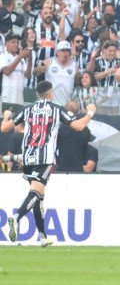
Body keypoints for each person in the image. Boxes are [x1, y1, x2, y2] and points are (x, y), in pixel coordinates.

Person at [2, 80, 97, 246]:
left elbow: (4, 128)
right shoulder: (56, 109)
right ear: (51, 94)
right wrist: (90, 112)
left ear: (37, 95)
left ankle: (43, 237)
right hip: (44, 158)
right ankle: (16, 218)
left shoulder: (28, 109)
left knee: (39, 195)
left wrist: (6, 116)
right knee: (36, 192)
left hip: (28, 157)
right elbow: (78, 126)